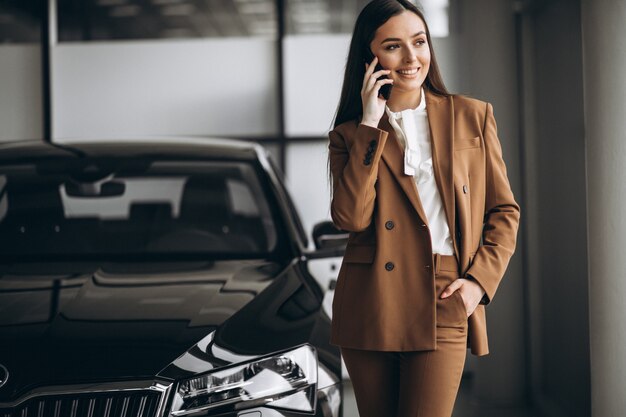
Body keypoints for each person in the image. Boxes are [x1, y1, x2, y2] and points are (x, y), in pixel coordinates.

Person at [327, 1, 521, 416]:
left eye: (419, 42)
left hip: (445, 291)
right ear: (371, 57)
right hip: (371, 302)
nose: (412, 58)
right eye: (394, 46)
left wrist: (477, 284)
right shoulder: (350, 134)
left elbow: (504, 212)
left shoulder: (472, 115)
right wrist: (369, 124)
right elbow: (351, 218)